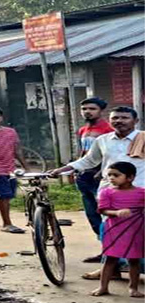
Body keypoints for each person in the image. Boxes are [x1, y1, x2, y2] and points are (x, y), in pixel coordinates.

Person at [52, 106, 145, 280]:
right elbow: (89, 160)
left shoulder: (143, 138)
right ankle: (111, 269)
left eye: (124, 118)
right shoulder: (103, 140)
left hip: (139, 194)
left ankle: (133, 270)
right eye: (115, 118)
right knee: (109, 232)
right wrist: (64, 169)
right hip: (110, 194)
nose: (119, 121)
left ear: (135, 121)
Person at [90, 161, 143, 298]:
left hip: (136, 230)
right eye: (109, 175)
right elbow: (103, 210)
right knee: (110, 259)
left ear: (130, 177)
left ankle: (133, 288)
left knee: (134, 260)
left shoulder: (141, 193)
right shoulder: (106, 192)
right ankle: (103, 287)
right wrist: (117, 212)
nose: (112, 178)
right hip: (114, 230)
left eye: (116, 175)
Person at [75, 98, 114, 262]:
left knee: (107, 216)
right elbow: (82, 153)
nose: (87, 112)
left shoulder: (108, 129)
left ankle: (114, 255)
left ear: (101, 111)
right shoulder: (83, 129)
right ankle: (105, 250)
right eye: (84, 109)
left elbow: (110, 155)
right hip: (84, 177)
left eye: (92, 108)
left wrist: (100, 172)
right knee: (93, 216)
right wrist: (75, 169)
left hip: (100, 178)